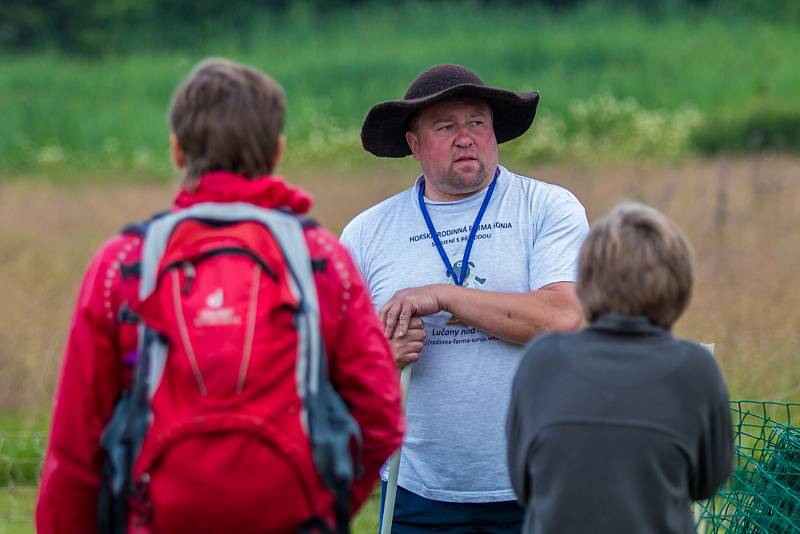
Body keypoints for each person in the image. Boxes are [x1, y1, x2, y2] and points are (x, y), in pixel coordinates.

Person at [36, 58, 405, 533]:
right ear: (277, 152)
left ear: (176, 150)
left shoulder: (123, 265)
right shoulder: (321, 260)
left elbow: (74, 449)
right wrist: (322, 505)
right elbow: (381, 418)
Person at [340, 64, 589, 532]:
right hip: (416, 492)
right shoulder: (367, 233)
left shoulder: (546, 207)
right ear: (413, 145)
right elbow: (334, 366)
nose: (465, 138)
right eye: (445, 126)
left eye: (477, 122)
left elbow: (561, 318)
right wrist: (376, 356)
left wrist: (442, 296)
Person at [507, 202, 734, 534]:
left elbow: (522, 482)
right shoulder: (696, 369)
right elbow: (707, 482)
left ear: (584, 279)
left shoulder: (542, 359)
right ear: (680, 282)